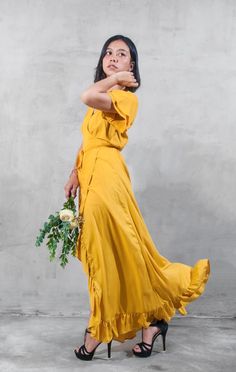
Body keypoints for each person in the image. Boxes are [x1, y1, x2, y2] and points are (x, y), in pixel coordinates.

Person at [64, 35, 210, 361]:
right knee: (117, 254)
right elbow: (88, 141)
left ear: (132, 66)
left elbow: (86, 95)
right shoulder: (105, 95)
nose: (113, 57)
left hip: (106, 179)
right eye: (108, 53)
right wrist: (74, 172)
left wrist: (114, 80)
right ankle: (152, 321)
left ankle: (97, 330)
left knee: (108, 256)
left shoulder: (125, 99)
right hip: (91, 176)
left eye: (122, 55)